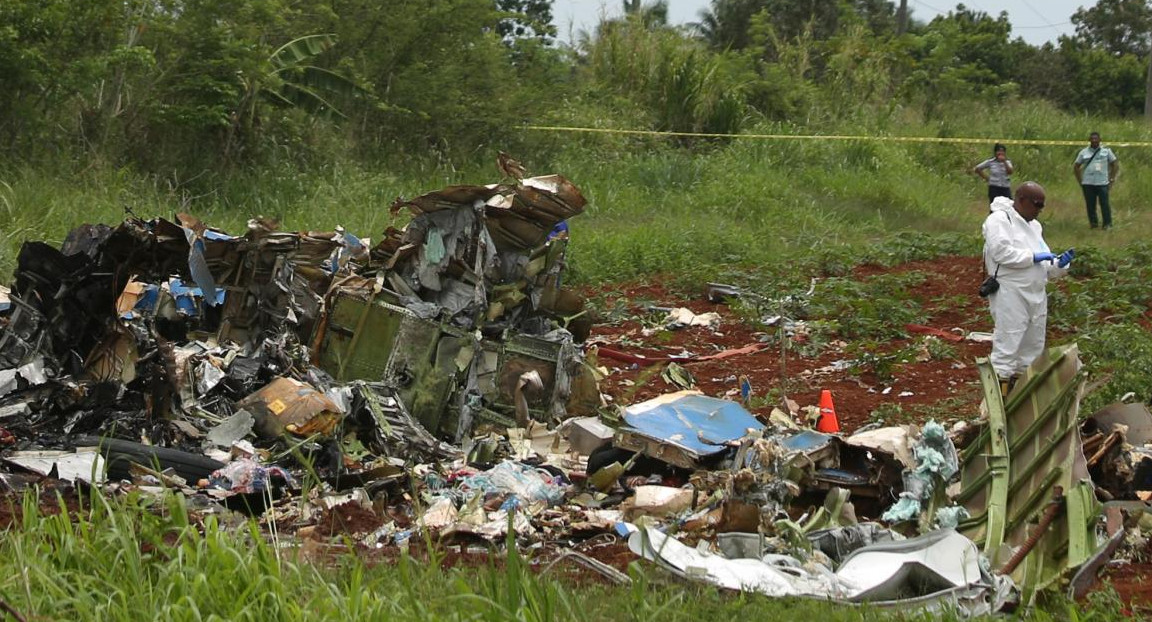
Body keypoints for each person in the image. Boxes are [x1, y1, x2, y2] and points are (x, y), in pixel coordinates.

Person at [982, 181, 1074, 396]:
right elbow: (1001, 253)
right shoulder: (999, 220)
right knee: (1008, 346)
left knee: (1032, 350)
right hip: (1011, 293)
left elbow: (1044, 263)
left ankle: (1021, 400)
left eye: (1043, 206)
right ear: (1021, 200)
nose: (1039, 211)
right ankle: (998, 402)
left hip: (1036, 294)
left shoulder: (1034, 226)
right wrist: (1033, 257)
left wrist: (1059, 264)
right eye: (1036, 205)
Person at [1073, 131, 1119, 229]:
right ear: (1089, 140)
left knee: (1105, 204)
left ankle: (1107, 224)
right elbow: (1076, 166)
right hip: (1088, 183)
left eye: (1096, 138)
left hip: (1102, 182)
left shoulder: (1106, 151)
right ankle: (1093, 224)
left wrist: (1111, 178)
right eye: (1092, 139)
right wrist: (1080, 180)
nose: (1094, 140)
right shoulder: (1084, 152)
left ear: (1100, 140)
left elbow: (1115, 164)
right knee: (1090, 205)